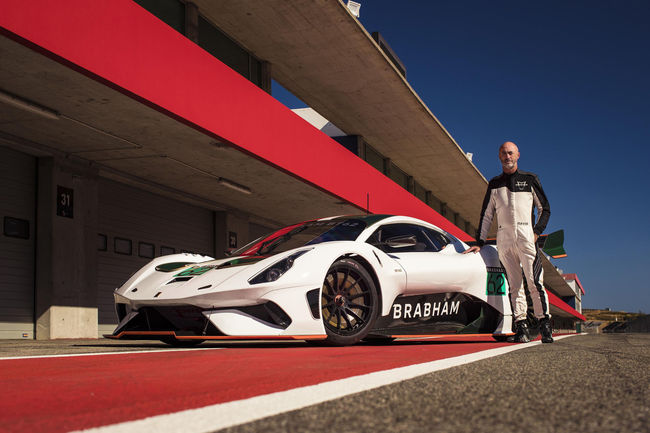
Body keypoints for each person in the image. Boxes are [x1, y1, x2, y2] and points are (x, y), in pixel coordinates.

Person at [464, 141, 553, 343]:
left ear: (518, 155)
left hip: (526, 236)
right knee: (514, 285)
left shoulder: (530, 179)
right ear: (499, 157)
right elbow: (486, 215)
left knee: (534, 282)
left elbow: (545, 209)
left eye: (511, 153)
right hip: (504, 239)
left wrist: (537, 232)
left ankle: (544, 324)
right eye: (504, 153)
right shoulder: (494, 184)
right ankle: (521, 327)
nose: (507, 156)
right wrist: (480, 240)